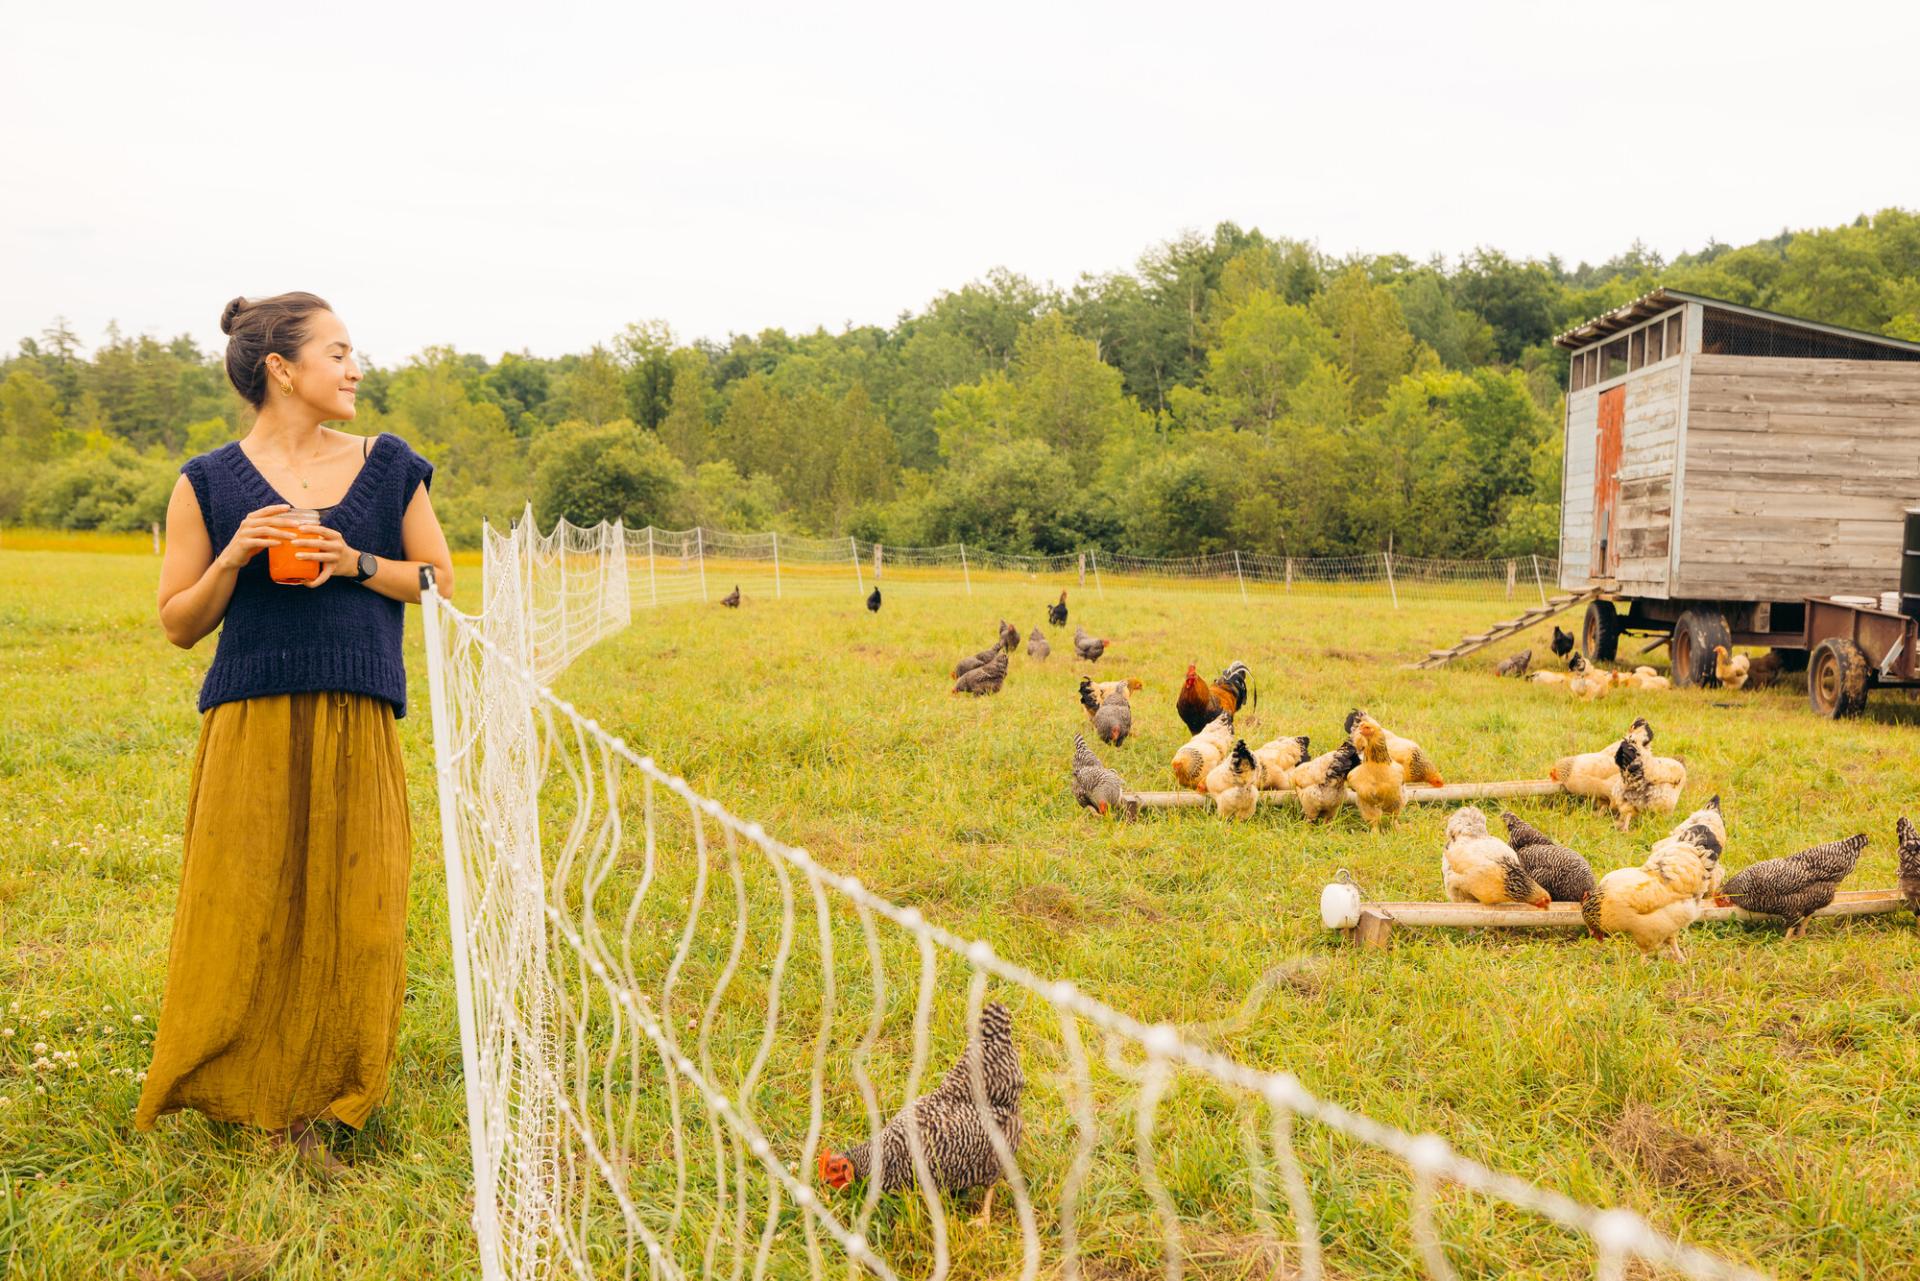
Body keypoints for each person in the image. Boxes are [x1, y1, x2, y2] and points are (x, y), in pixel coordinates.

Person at [136, 292, 454, 1173]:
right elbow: (177, 623)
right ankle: (241, 1085)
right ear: (282, 368)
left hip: (358, 711)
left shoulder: (390, 467)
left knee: (358, 910)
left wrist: (353, 562)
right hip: (251, 715)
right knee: (244, 905)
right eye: (340, 352)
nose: (357, 369)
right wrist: (236, 556)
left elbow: (440, 582)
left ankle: (326, 1096)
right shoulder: (206, 481)